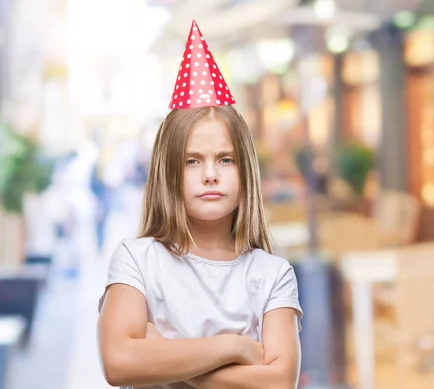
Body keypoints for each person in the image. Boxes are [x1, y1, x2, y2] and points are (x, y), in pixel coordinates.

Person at [97, 20, 302, 389]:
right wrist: (234, 346)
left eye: (225, 159)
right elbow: (119, 362)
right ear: (168, 173)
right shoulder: (137, 260)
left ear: (246, 173)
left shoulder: (272, 274)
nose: (210, 174)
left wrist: (164, 356)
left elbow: (278, 382)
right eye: (192, 161)